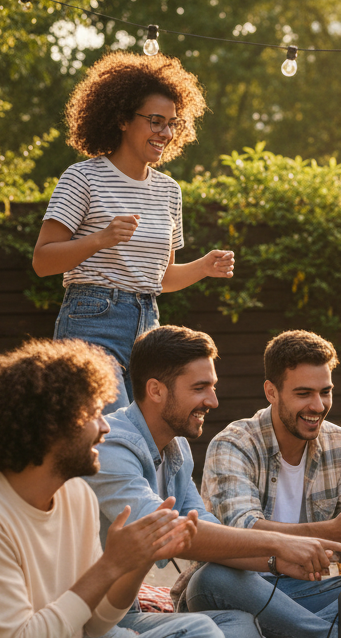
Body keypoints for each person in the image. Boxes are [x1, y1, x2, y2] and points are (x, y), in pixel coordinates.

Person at [0, 339, 224, 638]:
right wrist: (110, 565)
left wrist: (140, 558)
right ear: (50, 427)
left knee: (201, 633)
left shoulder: (76, 495)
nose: (105, 428)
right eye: (93, 415)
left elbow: (95, 623)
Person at [83, 325, 341, 638]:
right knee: (209, 617)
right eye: (200, 388)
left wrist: (276, 561)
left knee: (242, 630)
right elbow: (165, 532)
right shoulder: (113, 447)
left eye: (212, 387)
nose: (212, 401)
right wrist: (281, 544)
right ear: (155, 390)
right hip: (86, 623)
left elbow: (204, 526)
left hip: (125, 614)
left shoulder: (176, 448)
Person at [192, 330, 341, 638]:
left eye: (325, 392)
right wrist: (329, 531)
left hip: (310, 592)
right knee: (210, 579)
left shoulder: (340, 444)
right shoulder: (234, 444)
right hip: (248, 589)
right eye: (304, 393)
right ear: (271, 391)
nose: (318, 405)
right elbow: (241, 532)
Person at [32, 51, 235, 413]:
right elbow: (43, 260)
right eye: (156, 121)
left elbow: (163, 278)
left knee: (152, 433)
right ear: (123, 119)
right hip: (92, 318)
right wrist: (101, 239)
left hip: (148, 323)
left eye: (173, 123)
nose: (166, 133)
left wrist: (203, 267)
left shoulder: (169, 190)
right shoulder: (83, 178)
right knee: (112, 436)